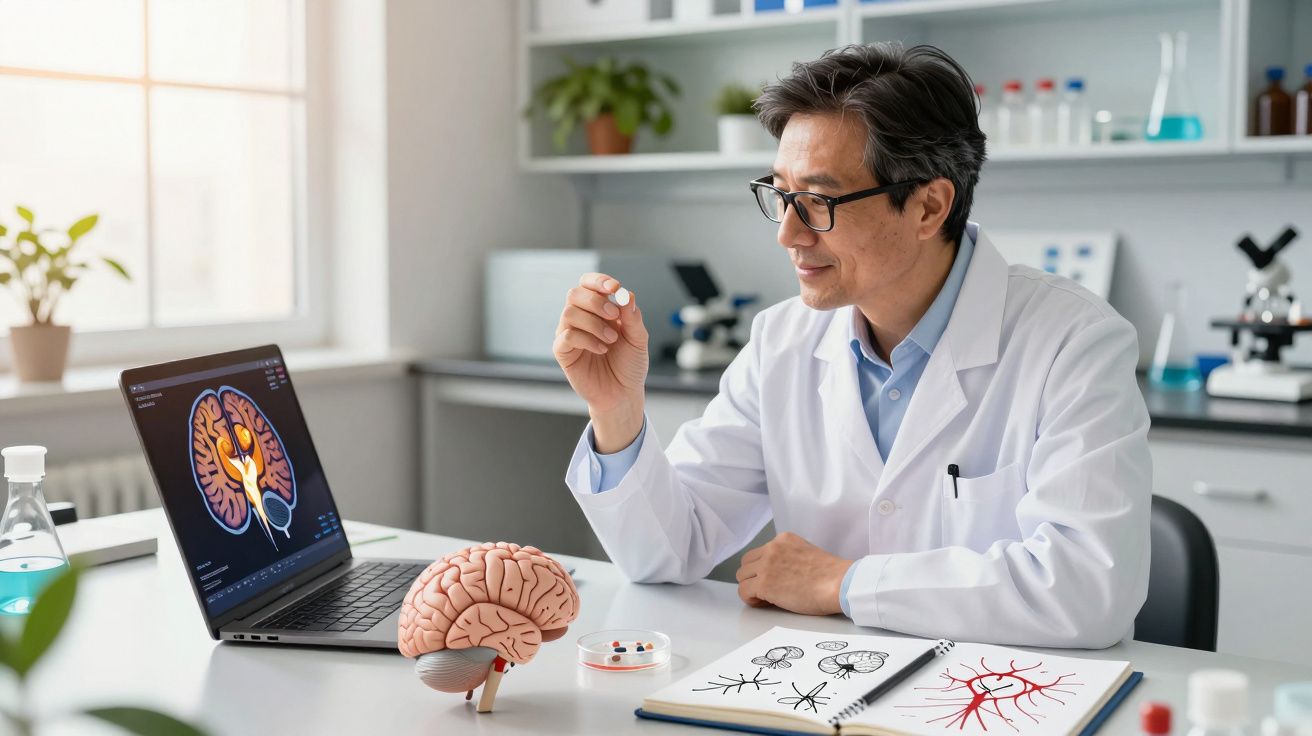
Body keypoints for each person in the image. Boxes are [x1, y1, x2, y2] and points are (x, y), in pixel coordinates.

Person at [552, 43, 1150, 648]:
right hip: (825, 677)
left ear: (929, 206)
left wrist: (843, 584)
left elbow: (1087, 589)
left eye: (819, 201)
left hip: (998, 688)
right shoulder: (782, 340)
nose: (788, 233)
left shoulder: (1072, 342)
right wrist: (617, 410)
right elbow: (667, 551)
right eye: (781, 195)